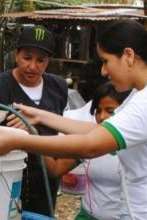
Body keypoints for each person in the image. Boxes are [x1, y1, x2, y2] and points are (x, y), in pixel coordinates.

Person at [0, 20, 147, 219]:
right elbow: (97, 129)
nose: (103, 71)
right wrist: (41, 116)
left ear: (128, 56)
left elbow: (91, 144)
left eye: (105, 61)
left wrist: (19, 140)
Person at [0, 25, 68, 216]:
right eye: (27, 58)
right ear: (16, 55)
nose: (33, 66)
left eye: (41, 60)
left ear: (49, 61)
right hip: (3, 182)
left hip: (45, 186)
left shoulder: (59, 88)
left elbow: (65, 133)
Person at [45, 82, 130, 220]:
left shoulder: (135, 147)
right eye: (98, 110)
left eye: (110, 111)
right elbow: (56, 169)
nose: (102, 117)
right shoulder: (90, 141)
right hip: (87, 216)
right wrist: (32, 135)